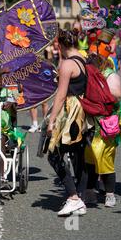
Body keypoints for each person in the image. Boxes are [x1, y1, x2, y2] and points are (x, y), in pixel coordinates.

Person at [47, 29, 88, 216]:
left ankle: (73, 198)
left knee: (53, 153)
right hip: (83, 112)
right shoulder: (82, 59)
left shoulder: (67, 65)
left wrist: (51, 120)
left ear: (62, 45)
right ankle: (80, 197)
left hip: (70, 112)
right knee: (79, 154)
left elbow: (61, 95)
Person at [83, 49, 121, 208]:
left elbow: (116, 95)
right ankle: (89, 191)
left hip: (106, 124)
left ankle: (110, 194)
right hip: (90, 123)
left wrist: (99, 89)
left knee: (106, 159)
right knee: (90, 159)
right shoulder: (87, 73)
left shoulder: (110, 74)